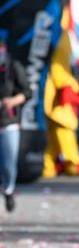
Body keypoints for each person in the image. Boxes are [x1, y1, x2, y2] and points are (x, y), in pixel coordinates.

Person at [0, 39, 32, 212]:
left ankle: (9, 189)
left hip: (8, 123)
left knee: (8, 164)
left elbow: (27, 92)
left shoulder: (13, 68)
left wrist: (12, 101)